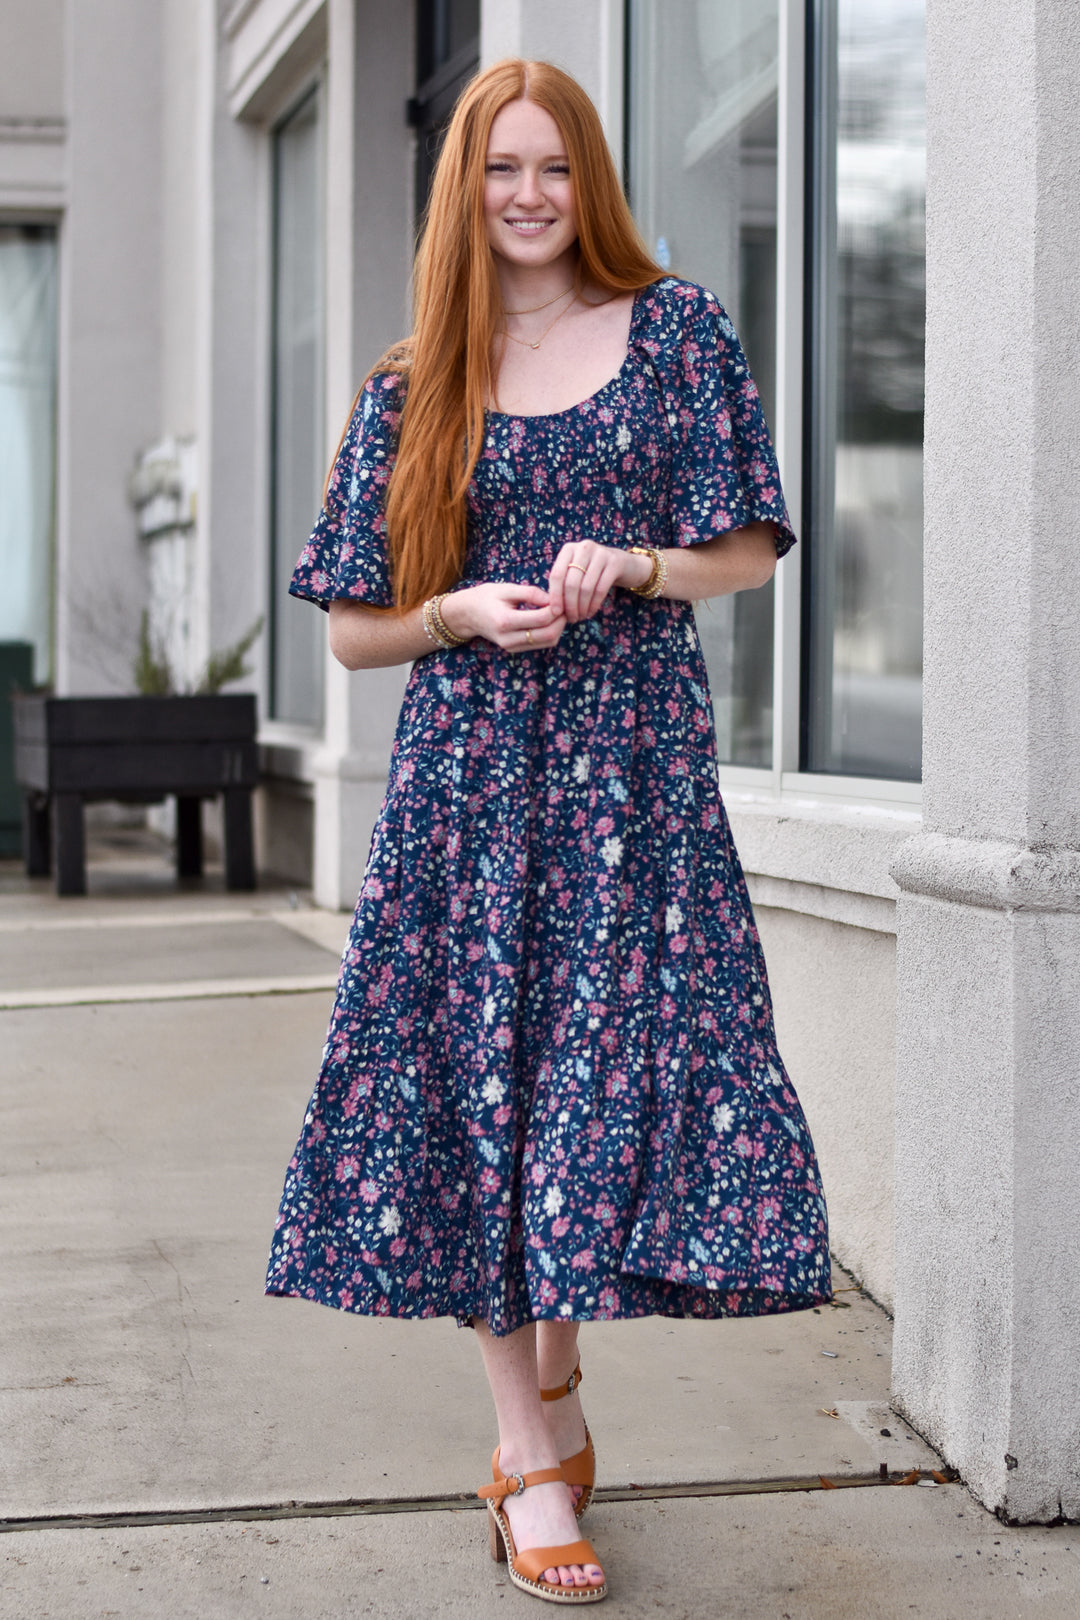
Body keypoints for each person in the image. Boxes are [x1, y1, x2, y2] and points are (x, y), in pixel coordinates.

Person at [266, 57, 830, 1604]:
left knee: (592, 1104)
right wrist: (454, 609)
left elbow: (747, 549)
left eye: (555, 169)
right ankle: (526, 1446)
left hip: (632, 792)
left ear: (592, 181)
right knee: (479, 1108)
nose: (529, 195)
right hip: (467, 798)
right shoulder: (413, 383)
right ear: (466, 186)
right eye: (502, 168)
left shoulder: (679, 332)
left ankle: (558, 1403)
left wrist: (634, 568)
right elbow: (354, 636)